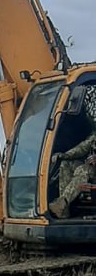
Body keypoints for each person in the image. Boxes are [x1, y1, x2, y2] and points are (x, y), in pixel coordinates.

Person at [49, 88, 96, 217]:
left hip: (91, 169)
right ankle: (64, 210)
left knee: (83, 170)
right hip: (93, 169)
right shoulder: (94, 136)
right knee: (66, 164)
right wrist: (64, 155)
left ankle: (62, 202)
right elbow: (82, 148)